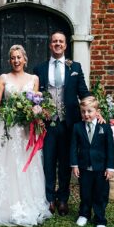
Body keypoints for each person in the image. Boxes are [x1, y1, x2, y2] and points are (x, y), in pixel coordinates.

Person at [0, 45, 51, 227]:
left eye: (19, 57)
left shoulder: (33, 79)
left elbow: (36, 104)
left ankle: (26, 204)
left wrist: (39, 116)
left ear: (25, 59)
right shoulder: (4, 78)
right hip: (7, 128)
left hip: (26, 129)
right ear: (9, 60)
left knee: (24, 164)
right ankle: (3, 205)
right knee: (5, 164)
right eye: (13, 58)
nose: (16, 61)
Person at [33, 31, 91, 216]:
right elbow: (35, 97)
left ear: (65, 45)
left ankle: (63, 199)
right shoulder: (39, 69)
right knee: (48, 162)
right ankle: (49, 198)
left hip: (69, 124)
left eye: (61, 41)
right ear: (50, 45)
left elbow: (83, 91)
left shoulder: (75, 67)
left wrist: (95, 111)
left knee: (66, 163)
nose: (57, 44)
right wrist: (39, 113)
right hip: (48, 124)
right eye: (54, 41)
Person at [70, 96, 114, 227]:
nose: (86, 114)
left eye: (89, 111)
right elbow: (73, 147)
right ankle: (84, 214)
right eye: (83, 111)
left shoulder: (105, 127)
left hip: (100, 169)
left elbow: (110, 149)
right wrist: (75, 165)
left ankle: (100, 220)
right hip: (84, 167)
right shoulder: (77, 127)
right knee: (85, 192)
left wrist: (110, 167)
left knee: (100, 194)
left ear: (97, 111)